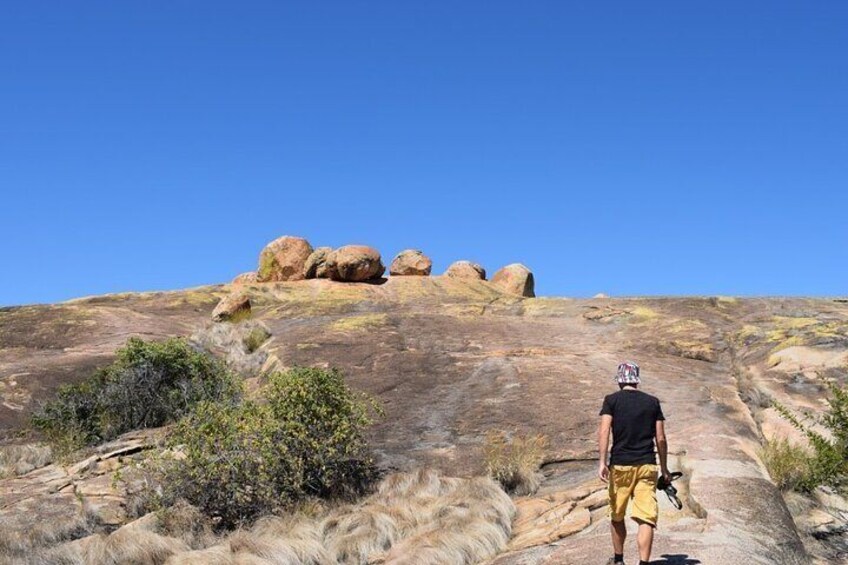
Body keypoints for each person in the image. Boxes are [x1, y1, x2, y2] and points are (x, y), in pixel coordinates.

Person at [598, 361, 670, 565]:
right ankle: (644, 563)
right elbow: (661, 438)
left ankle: (619, 560)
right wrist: (664, 469)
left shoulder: (611, 401)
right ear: (636, 380)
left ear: (620, 380)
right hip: (647, 465)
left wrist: (602, 462)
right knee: (646, 517)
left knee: (617, 515)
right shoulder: (652, 402)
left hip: (620, 465)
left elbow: (604, 431)